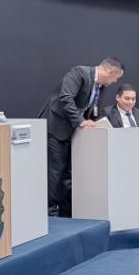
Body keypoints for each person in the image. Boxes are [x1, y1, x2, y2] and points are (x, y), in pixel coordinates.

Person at [42, 57, 124, 216]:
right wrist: (80, 121)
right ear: (110, 72)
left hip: (75, 133)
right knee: (56, 172)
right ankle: (51, 213)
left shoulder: (100, 87)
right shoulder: (79, 73)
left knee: (70, 173)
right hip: (57, 128)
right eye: (115, 78)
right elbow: (66, 98)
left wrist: (95, 123)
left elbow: (93, 110)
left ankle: (67, 212)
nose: (114, 82)